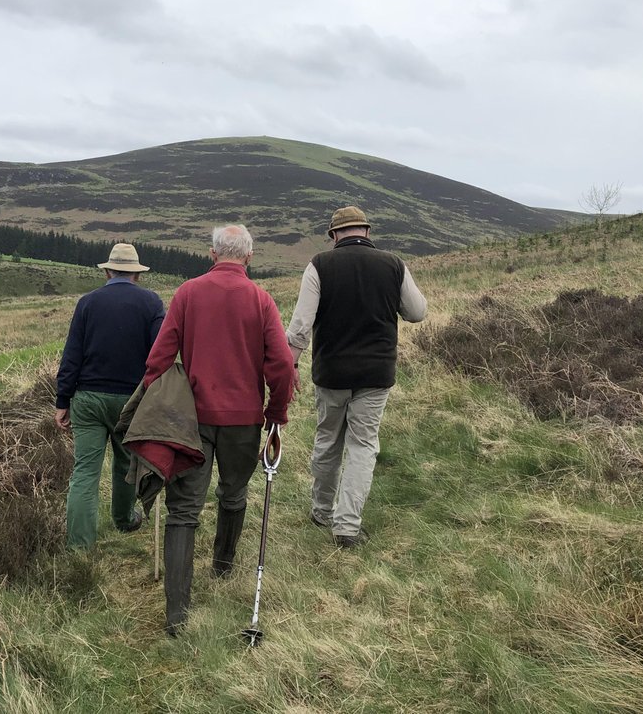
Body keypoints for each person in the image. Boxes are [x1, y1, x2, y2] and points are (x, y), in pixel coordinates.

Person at [142, 224, 294, 636]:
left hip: (190, 420)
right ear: (249, 257)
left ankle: (177, 615)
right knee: (234, 493)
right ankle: (223, 567)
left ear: (212, 254)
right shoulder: (261, 300)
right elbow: (281, 366)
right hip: (244, 421)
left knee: (183, 510)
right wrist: (275, 413)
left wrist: (152, 407)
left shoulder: (188, 294)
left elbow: (158, 358)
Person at [286, 206, 427, 549]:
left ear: (334, 234)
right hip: (376, 374)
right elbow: (417, 312)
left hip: (331, 371)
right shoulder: (393, 263)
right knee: (363, 446)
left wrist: (289, 367)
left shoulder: (319, 264)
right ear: (366, 230)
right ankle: (347, 527)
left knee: (327, 441)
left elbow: (301, 326)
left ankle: (321, 511)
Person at [55, 242, 165, 550]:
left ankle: (80, 547)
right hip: (131, 401)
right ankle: (124, 519)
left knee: (85, 473)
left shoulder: (87, 303)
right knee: (126, 462)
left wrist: (63, 402)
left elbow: (71, 357)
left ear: (107, 271)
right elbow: (160, 355)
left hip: (87, 399)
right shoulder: (152, 303)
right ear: (137, 274)